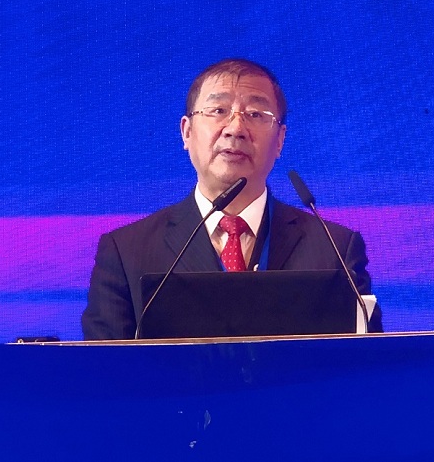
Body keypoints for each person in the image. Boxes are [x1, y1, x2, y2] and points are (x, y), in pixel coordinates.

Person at [81, 58, 382, 339]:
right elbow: (103, 371)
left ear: (280, 140)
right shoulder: (127, 252)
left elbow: (368, 366)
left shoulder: (335, 249)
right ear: (187, 132)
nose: (236, 129)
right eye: (218, 110)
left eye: (256, 114)